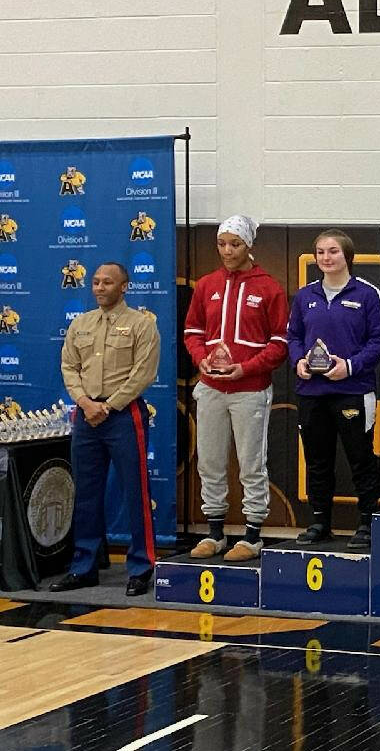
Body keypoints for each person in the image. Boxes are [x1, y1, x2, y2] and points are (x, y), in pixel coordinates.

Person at [183, 215, 288, 561]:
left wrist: (246, 368)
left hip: (250, 390)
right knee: (209, 461)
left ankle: (252, 535)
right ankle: (215, 533)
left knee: (251, 463)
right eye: (221, 244)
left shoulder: (269, 287)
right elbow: (193, 331)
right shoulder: (207, 285)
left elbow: (280, 343)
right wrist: (201, 359)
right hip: (210, 388)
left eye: (235, 244)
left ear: (249, 245)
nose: (227, 251)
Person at [52, 263, 160, 596]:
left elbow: (144, 373)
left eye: (107, 282)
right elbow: (69, 366)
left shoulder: (142, 324)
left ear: (124, 287)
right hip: (87, 416)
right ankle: (84, 566)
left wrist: (109, 406)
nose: (99, 287)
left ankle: (141, 567)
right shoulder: (81, 324)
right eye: (96, 282)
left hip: (124, 414)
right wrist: (85, 402)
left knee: (135, 492)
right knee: (85, 493)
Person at [287, 230, 380, 548]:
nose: (326, 257)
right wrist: (299, 362)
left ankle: (368, 523)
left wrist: (349, 366)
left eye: (333, 251)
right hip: (311, 392)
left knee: (361, 458)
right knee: (317, 460)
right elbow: (293, 337)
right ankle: (319, 522)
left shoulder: (367, 294)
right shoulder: (304, 296)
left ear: (347, 255)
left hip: (353, 391)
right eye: (320, 252)